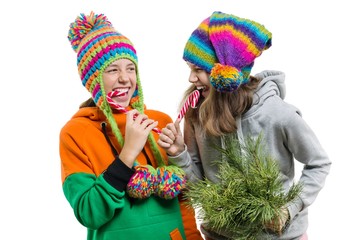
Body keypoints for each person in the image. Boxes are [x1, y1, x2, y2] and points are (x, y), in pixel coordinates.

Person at [158, 11, 331, 240]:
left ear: (224, 73)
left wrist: (288, 209)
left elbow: (319, 163)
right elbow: (197, 185)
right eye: (190, 69)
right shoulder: (196, 113)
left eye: (198, 70)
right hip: (220, 235)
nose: (191, 79)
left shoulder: (277, 114)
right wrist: (179, 154)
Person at [59, 11, 203, 240]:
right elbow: (89, 213)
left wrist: (178, 154)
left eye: (130, 68)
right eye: (112, 70)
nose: (125, 78)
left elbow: (185, 200)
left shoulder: (160, 122)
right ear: (93, 80)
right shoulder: (75, 133)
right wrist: (128, 154)